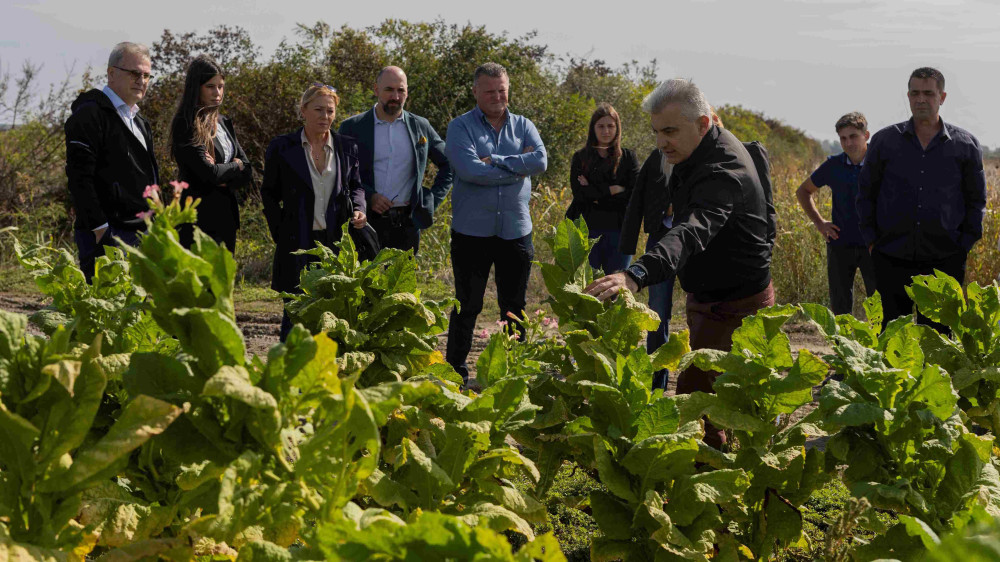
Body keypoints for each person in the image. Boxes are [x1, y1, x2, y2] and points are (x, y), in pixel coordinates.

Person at [585, 79, 774, 449]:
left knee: (700, 409)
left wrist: (635, 273)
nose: (660, 142)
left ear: (703, 123)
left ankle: (712, 490)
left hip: (737, 305)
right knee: (706, 405)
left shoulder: (723, 169)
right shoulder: (694, 148)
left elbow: (690, 230)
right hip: (708, 294)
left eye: (670, 131)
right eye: (656, 132)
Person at [857, 67, 986, 328]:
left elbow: (976, 201)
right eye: (915, 93)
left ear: (943, 97)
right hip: (891, 256)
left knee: (938, 338)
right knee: (893, 336)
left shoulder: (965, 145)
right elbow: (865, 194)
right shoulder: (884, 141)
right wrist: (873, 242)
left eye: (928, 93)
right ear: (908, 96)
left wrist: (963, 246)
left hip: (944, 260)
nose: (920, 99)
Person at [444, 62, 547, 383]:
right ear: (475, 91)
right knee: (467, 305)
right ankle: (454, 372)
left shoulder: (524, 125)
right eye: (489, 91)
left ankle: (513, 374)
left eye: (501, 90)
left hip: (516, 232)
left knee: (514, 307)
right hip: (471, 234)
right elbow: (470, 170)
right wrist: (519, 166)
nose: (497, 96)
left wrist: (499, 160)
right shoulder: (460, 128)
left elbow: (540, 161)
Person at [260, 83, 368, 341]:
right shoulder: (282, 147)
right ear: (303, 110)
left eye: (330, 111)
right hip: (297, 242)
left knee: (333, 316)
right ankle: (287, 373)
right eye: (318, 110)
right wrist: (281, 233)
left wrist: (360, 208)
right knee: (296, 314)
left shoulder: (347, 147)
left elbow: (356, 186)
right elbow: (269, 195)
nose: (325, 117)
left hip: (335, 244)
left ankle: (327, 374)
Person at [65, 41, 158, 282]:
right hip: (107, 234)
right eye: (135, 73)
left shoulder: (140, 123)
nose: (142, 80)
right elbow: (79, 179)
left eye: (147, 75)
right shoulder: (89, 114)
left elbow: (149, 179)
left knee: (140, 315)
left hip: (143, 234)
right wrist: (100, 229)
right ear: (111, 73)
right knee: (106, 314)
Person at [338, 66, 452, 254]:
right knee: (366, 283)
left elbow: (449, 164)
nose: (396, 97)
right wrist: (369, 196)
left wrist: (431, 200)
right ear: (376, 90)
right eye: (389, 90)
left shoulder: (420, 126)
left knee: (402, 283)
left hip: (407, 225)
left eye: (401, 91)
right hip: (365, 222)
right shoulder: (353, 127)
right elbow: (341, 173)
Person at [170, 54, 253, 250]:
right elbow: (209, 174)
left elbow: (248, 169)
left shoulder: (223, 122)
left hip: (226, 219)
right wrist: (235, 165)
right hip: (198, 222)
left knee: (224, 280)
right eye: (210, 86)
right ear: (196, 88)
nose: (217, 92)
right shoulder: (186, 123)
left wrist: (229, 169)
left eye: (220, 86)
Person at [796, 112, 875, 316]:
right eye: (843, 138)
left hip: (874, 245)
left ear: (866, 135)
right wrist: (820, 223)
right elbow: (803, 191)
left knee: (880, 304)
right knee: (840, 306)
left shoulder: (880, 163)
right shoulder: (833, 166)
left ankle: (881, 348)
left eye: (853, 136)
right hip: (841, 243)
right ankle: (842, 347)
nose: (848, 143)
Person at [620, 147, 674, 391]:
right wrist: (627, 246)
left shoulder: (707, 158)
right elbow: (638, 196)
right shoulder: (658, 155)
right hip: (660, 239)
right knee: (657, 315)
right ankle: (657, 384)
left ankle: (700, 383)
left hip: (699, 242)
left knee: (700, 314)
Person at [567, 102, 639, 273]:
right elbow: (579, 195)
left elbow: (634, 194)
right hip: (587, 230)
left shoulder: (628, 158)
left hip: (619, 232)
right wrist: (612, 190)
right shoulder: (581, 158)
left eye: (610, 126)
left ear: (617, 128)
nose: (606, 131)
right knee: (587, 287)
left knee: (615, 288)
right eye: (601, 126)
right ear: (593, 128)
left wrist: (594, 192)